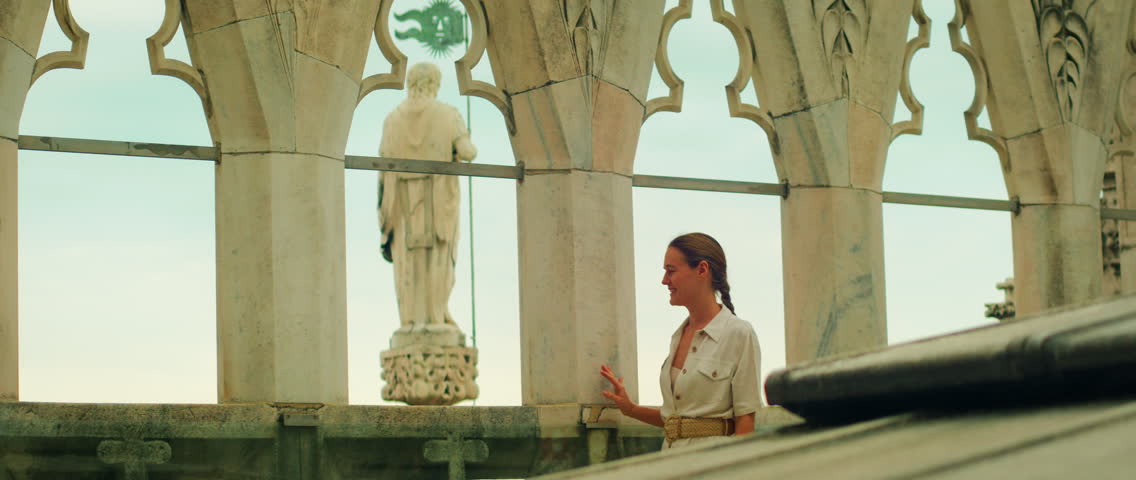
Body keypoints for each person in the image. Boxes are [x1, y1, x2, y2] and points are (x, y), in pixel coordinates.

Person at [600, 233, 762, 449]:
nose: (664, 280)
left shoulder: (739, 333)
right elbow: (677, 422)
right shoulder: (677, 337)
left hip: (714, 463)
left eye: (671, 271)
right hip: (671, 461)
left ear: (702, 270)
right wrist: (631, 409)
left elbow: (745, 422)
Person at [378, 62, 477, 328]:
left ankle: (410, 320)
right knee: (438, 259)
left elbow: (382, 173)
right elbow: (468, 152)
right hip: (438, 203)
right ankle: (436, 316)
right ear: (434, 84)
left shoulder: (391, 120)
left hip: (401, 206)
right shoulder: (449, 115)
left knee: (407, 263)